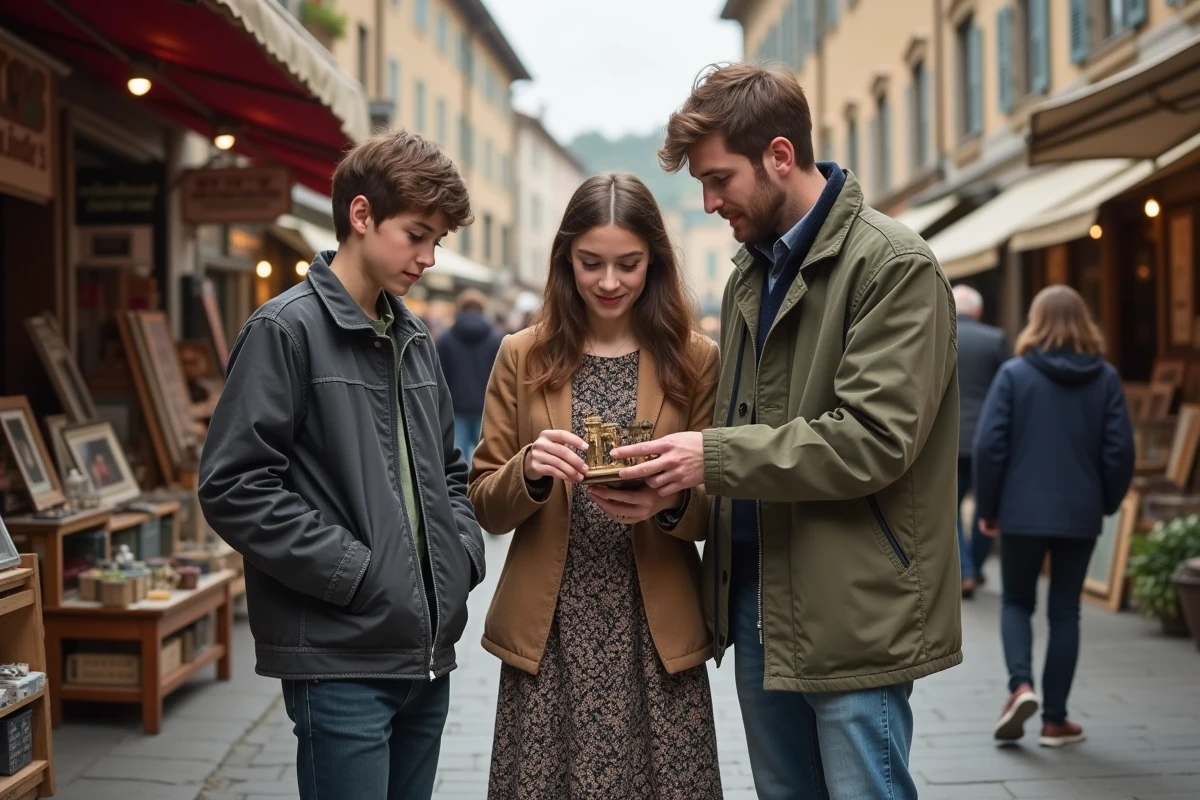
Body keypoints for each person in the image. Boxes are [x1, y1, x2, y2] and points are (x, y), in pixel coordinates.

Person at [613, 63, 963, 800]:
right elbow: (746, 430)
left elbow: (873, 439)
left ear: (779, 155)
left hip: (854, 603)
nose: (709, 203)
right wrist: (674, 490)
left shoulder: (894, 265)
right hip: (757, 596)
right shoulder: (751, 272)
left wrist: (707, 456)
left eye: (719, 180)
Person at [198, 131, 486, 800]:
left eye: (437, 240)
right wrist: (353, 572)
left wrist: (461, 555)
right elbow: (233, 485)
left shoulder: (415, 338)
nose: (428, 258)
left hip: (426, 659)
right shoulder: (284, 330)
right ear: (361, 214)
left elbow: (450, 471)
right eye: (416, 235)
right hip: (340, 661)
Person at [468, 173, 723, 799]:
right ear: (565, 260)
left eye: (628, 264)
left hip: (654, 624)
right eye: (591, 263)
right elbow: (484, 501)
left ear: (654, 262)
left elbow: (723, 502)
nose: (609, 282)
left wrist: (669, 501)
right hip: (551, 624)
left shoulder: (695, 359)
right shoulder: (522, 355)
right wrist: (528, 470)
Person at [973, 285, 1133, 747]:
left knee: (1016, 601)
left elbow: (989, 445)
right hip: (1079, 512)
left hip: (1020, 511)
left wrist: (988, 508)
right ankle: (1055, 720)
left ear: (1035, 321)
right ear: (1085, 322)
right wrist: (1105, 502)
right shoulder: (1106, 378)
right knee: (1065, 611)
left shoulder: (1014, 374)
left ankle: (1020, 686)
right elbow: (1120, 451)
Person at [953, 284, 1009, 597]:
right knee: (987, 506)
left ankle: (965, 570)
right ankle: (974, 564)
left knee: (950, 507)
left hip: (950, 438)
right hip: (988, 437)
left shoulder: (942, 335)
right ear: (978, 311)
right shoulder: (995, 339)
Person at [436, 289, 503, 466]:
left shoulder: (445, 338)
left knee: (459, 458)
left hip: (455, 407)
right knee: (485, 459)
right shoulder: (496, 339)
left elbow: (439, 375)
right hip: (486, 407)